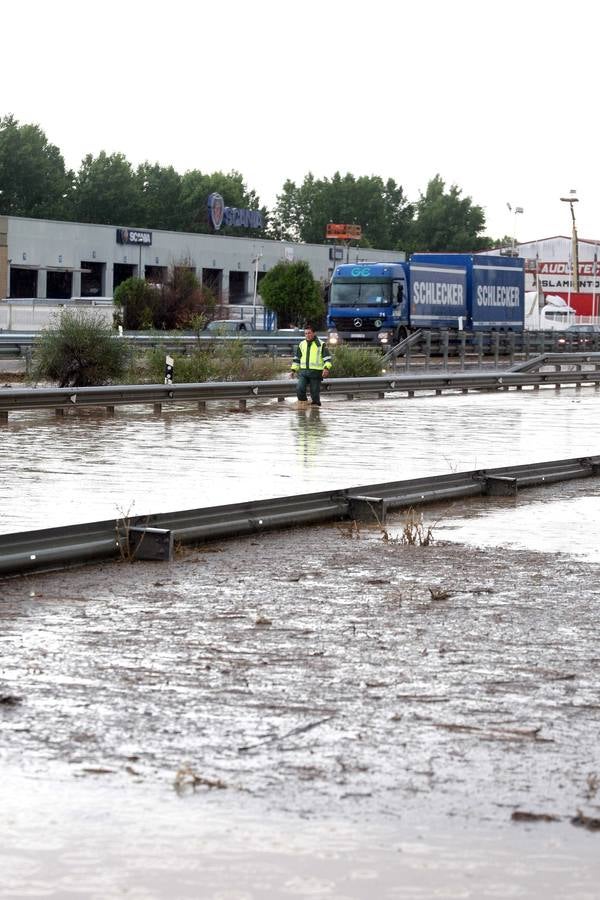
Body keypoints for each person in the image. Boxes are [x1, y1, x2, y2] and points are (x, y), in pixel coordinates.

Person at [290, 324, 332, 406]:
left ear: (314, 333)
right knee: (299, 388)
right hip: (303, 372)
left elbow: (327, 359)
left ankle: (315, 412)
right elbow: (297, 358)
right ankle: (304, 405)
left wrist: (326, 368)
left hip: (316, 373)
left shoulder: (321, 344)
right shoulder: (302, 344)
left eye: (309, 333)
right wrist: (293, 370)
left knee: (315, 394)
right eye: (305, 333)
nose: (307, 335)